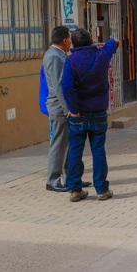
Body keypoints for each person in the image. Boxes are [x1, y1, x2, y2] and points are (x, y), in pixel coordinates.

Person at [61, 29, 119, 202]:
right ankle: (101, 189)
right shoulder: (102, 55)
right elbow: (111, 43)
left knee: (75, 150)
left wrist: (73, 108)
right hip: (99, 111)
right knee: (98, 149)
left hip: (78, 113)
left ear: (73, 44)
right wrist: (114, 41)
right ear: (92, 40)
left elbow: (66, 87)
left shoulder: (70, 61)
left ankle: (74, 189)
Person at [41, 26, 75, 192]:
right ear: (64, 40)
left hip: (61, 106)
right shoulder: (54, 56)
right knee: (59, 144)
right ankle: (53, 179)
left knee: (67, 144)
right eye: (69, 38)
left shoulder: (59, 54)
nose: (71, 42)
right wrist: (67, 108)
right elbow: (59, 85)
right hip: (58, 107)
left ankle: (70, 178)